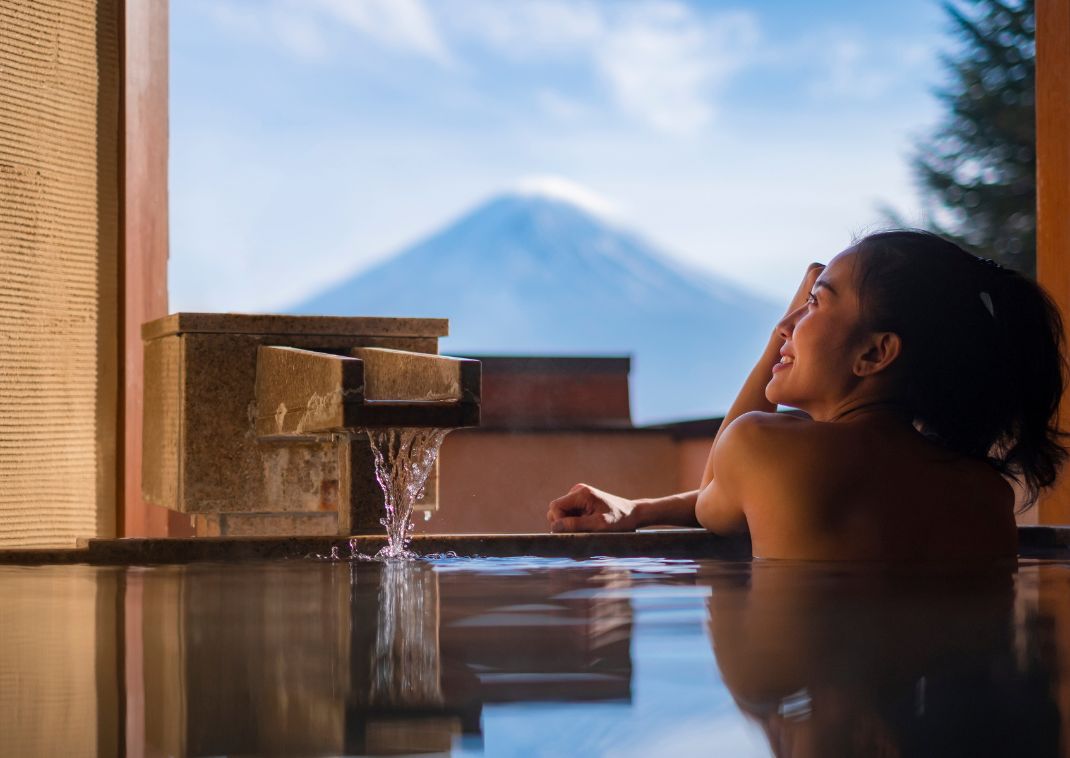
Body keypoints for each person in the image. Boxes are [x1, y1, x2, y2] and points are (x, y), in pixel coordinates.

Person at [546, 230, 1068, 560]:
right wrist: (639, 509)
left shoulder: (761, 448)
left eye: (815, 304)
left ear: (875, 354)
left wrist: (773, 343)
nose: (789, 325)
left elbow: (722, 491)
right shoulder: (983, 489)